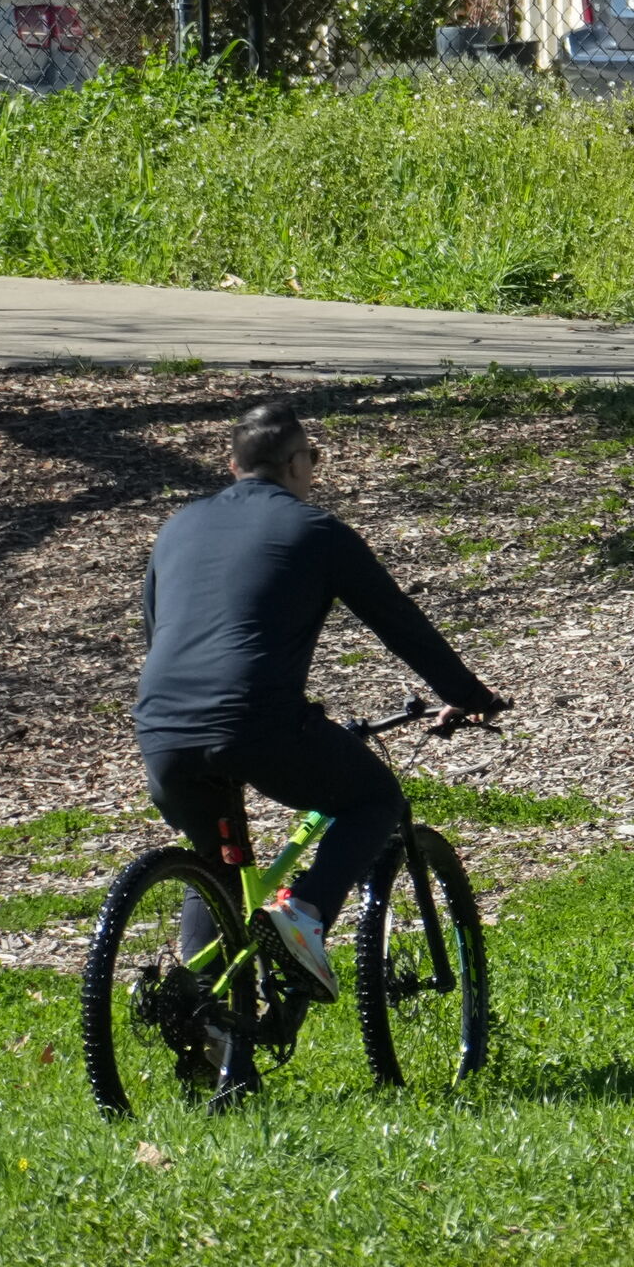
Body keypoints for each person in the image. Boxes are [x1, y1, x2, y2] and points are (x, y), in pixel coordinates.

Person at [133, 396, 505, 1001]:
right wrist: (468, 694)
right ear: (297, 464)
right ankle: (303, 915)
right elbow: (399, 624)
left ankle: (202, 1011)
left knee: (215, 861)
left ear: (233, 466)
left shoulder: (178, 527)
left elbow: (156, 632)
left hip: (161, 727)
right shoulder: (315, 531)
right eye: (315, 457)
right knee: (374, 799)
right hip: (257, 721)